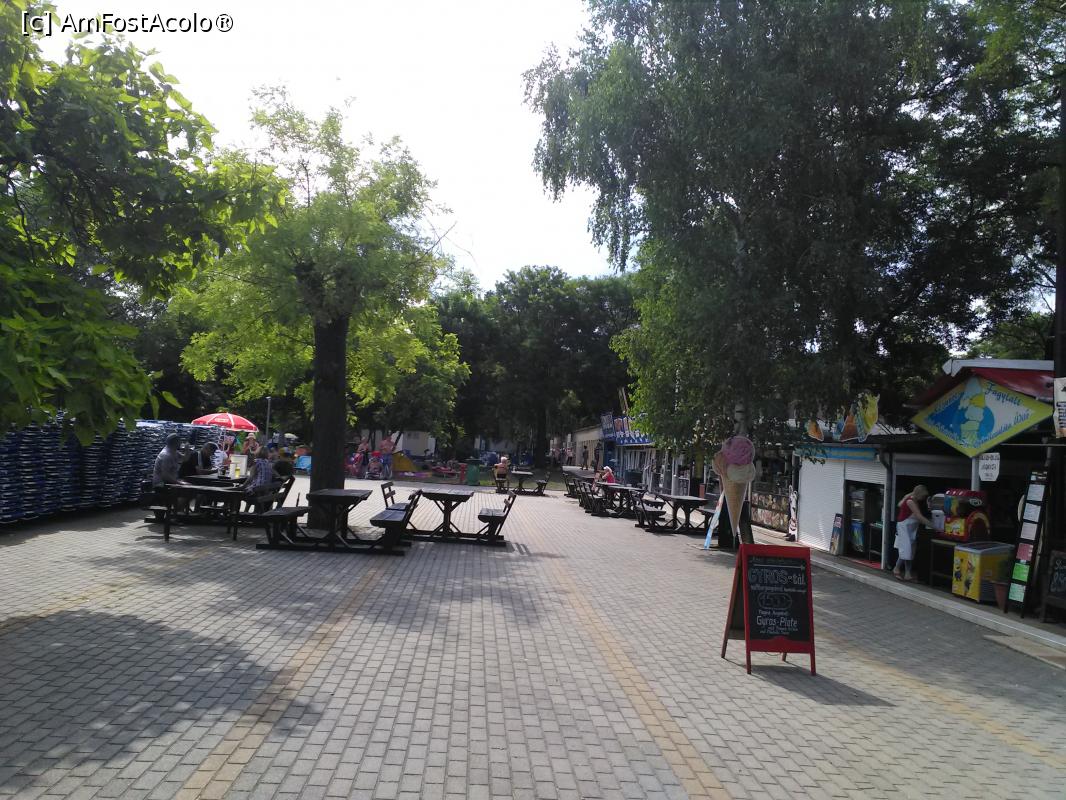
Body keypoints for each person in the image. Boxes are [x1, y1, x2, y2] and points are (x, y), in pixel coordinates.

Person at [894, 485, 932, 581]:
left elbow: (900, 504)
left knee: (910, 551)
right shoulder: (910, 501)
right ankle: (896, 568)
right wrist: (933, 525)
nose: (923, 498)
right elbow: (919, 516)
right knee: (905, 549)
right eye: (923, 496)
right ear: (919, 494)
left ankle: (908, 573)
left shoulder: (912, 499)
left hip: (911, 527)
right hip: (904, 526)